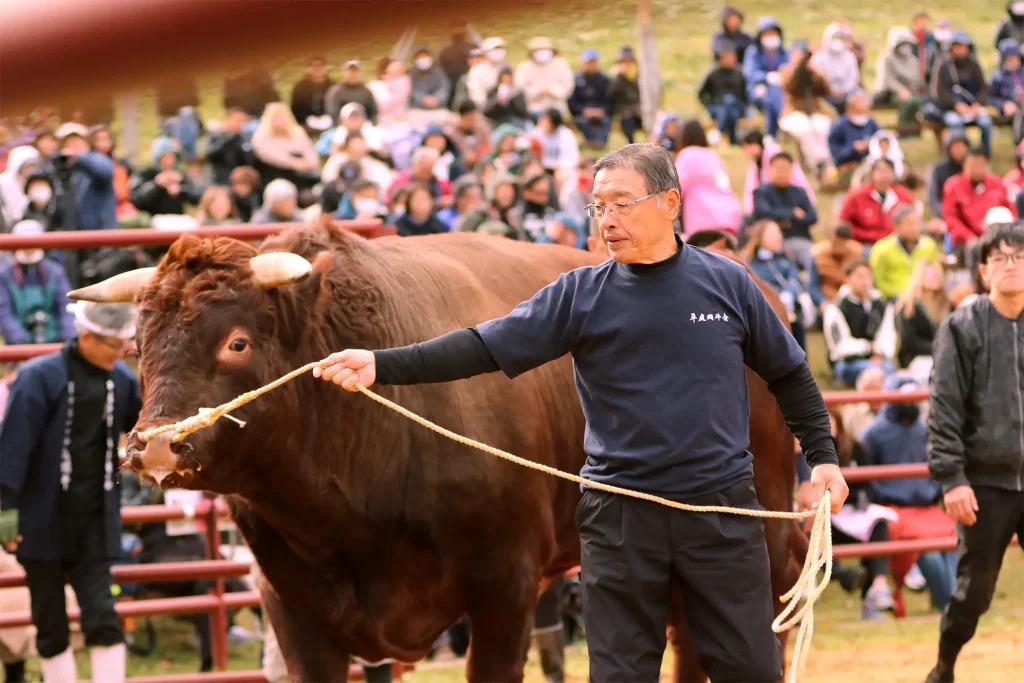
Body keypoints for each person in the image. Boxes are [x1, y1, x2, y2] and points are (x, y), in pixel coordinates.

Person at [313, 143, 848, 683]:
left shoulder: (727, 283)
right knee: (618, 675)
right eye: (598, 206)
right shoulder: (579, 294)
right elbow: (483, 346)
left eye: (621, 203)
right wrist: (380, 364)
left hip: (720, 511)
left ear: (669, 202)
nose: (607, 219)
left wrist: (823, 459)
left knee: (751, 670)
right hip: (619, 516)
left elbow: (791, 374)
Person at [0, 301, 142, 683]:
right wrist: (6, 506)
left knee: (103, 614)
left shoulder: (123, 381)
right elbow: (13, 444)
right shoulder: (38, 377)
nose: (121, 353)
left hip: (94, 518)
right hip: (40, 518)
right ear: (86, 337)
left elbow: (143, 427)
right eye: (113, 345)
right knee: (49, 619)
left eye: (124, 343)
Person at [926, 222, 1024, 683]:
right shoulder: (961, 326)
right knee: (975, 592)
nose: (1011, 265)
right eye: (1000, 258)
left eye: (1019, 255)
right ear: (984, 270)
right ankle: (944, 666)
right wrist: (952, 478)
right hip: (984, 482)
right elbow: (944, 405)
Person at [0, 220, 76, 345]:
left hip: (54, 338)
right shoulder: (5, 275)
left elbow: (65, 306)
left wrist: (67, 339)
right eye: (24, 243)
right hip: (20, 343)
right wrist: (19, 341)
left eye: (33, 242)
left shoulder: (54, 272)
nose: (29, 248)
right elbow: (4, 312)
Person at [823, 260, 897, 384]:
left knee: (888, 368)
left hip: (877, 358)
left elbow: (888, 335)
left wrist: (879, 353)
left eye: (868, 276)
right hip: (847, 361)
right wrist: (867, 347)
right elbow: (839, 346)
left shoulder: (881, 305)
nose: (865, 281)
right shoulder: (836, 308)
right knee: (875, 370)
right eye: (859, 277)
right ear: (847, 279)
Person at [927, 32, 992, 157]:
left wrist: (977, 104)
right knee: (955, 123)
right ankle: (961, 156)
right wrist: (955, 105)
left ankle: (984, 156)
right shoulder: (943, 65)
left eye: (963, 46)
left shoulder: (974, 65)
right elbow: (938, 92)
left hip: (973, 109)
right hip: (950, 109)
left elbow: (983, 88)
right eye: (957, 46)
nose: (961, 49)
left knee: (986, 122)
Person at [942, 148, 1016, 257]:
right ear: (965, 165)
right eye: (972, 165)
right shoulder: (953, 186)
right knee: (976, 249)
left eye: (980, 165)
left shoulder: (997, 184)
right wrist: (969, 237)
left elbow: (1011, 212)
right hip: (967, 241)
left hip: (998, 236)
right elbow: (951, 219)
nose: (976, 169)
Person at [777, 41, 834, 181]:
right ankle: (816, 164)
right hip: (792, 113)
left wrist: (814, 72)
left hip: (814, 112)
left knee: (823, 127)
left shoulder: (814, 72)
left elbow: (826, 91)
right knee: (805, 129)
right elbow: (789, 85)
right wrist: (799, 67)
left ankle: (826, 164)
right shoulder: (786, 70)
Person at [750, 151, 817, 265]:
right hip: (772, 243)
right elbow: (763, 214)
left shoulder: (800, 192)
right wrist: (793, 213)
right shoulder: (761, 192)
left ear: (791, 170)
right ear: (770, 170)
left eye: (785, 169)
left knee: (815, 260)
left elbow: (812, 217)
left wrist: (780, 217)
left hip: (800, 239)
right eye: (778, 168)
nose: (781, 173)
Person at [869, 204, 941, 300]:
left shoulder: (929, 245)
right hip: (892, 298)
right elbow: (878, 281)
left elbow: (935, 273)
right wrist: (900, 294)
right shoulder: (882, 248)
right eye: (909, 223)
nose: (915, 227)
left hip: (922, 297)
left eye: (917, 222)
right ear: (896, 226)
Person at [840, 158, 914, 248]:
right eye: (880, 170)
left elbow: (912, 219)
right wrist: (868, 235)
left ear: (894, 174)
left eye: (888, 170)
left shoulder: (903, 195)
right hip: (866, 244)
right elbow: (844, 224)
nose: (884, 175)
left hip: (899, 243)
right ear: (872, 174)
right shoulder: (857, 195)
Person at [895, 260, 951, 378]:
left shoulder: (948, 305)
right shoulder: (908, 306)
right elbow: (909, 341)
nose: (935, 278)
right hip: (917, 358)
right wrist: (939, 348)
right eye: (931, 275)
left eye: (938, 275)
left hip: (946, 356)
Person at [873, 27, 926, 134]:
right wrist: (901, 90)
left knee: (918, 101)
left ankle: (914, 131)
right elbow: (888, 79)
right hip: (888, 92)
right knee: (909, 102)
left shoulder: (912, 60)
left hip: (909, 92)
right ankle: (902, 131)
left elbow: (916, 79)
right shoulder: (886, 58)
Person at [743, 17, 789, 138]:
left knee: (777, 95)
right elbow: (750, 74)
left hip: (781, 90)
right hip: (759, 89)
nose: (771, 37)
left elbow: (789, 70)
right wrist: (767, 77)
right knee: (769, 96)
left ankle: (781, 128)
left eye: (773, 33)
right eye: (767, 34)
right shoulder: (753, 52)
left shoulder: (784, 53)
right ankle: (772, 132)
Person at [807, 222, 862, 316]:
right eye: (834, 242)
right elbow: (813, 286)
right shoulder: (818, 255)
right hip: (828, 300)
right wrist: (822, 302)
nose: (837, 247)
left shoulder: (857, 253)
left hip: (852, 300)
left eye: (841, 243)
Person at [698, 43, 748, 146]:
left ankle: (719, 132)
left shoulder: (739, 73)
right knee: (726, 106)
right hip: (718, 108)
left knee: (730, 104)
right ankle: (733, 138)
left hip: (736, 108)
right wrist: (709, 107)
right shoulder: (713, 74)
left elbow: (745, 95)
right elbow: (702, 94)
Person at [515, 37, 574, 120]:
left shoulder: (561, 65)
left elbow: (568, 86)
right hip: (534, 108)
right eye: (538, 50)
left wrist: (553, 91)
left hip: (557, 106)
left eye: (544, 49)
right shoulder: (525, 68)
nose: (542, 53)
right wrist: (538, 92)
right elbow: (521, 89)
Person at [568, 49, 613, 149]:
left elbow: (609, 100)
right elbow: (572, 101)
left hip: (600, 113)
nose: (591, 65)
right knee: (582, 122)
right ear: (583, 63)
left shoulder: (604, 79)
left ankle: (597, 143)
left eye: (593, 62)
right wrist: (583, 111)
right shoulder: (576, 79)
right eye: (589, 62)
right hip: (582, 114)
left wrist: (602, 110)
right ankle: (597, 143)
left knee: (606, 121)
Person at [810, 23, 861, 112]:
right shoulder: (819, 57)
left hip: (846, 93)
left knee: (859, 96)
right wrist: (830, 90)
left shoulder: (849, 57)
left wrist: (843, 90)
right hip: (825, 93)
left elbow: (853, 78)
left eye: (840, 39)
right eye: (834, 38)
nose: (837, 42)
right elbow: (817, 78)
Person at [827, 89, 880, 172]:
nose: (862, 116)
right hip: (846, 167)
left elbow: (882, 138)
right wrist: (852, 148)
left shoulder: (871, 123)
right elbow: (834, 153)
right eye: (858, 112)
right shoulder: (839, 126)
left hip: (870, 164)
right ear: (849, 109)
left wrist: (870, 144)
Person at [325, 61, 380, 126]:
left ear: (361, 73)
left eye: (356, 71)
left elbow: (373, 111)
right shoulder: (336, 91)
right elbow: (333, 112)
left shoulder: (366, 91)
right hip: (341, 126)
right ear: (344, 73)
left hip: (364, 127)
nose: (353, 74)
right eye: (350, 71)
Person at [438, 19, 477, 109]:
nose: (458, 30)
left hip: (471, 84)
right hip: (451, 87)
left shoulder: (472, 48)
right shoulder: (444, 51)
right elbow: (440, 71)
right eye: (455, 27)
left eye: (461, 27)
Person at [290, 56, 335, 132]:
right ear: (307, 69)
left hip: (329, 122)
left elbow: (336, 106)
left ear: (326, 68)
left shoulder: (333, 86)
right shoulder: (300, 87)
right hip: (305, 123)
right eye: (313, 66)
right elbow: (295, 109)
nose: (316, 69)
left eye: (320, 66)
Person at [609, 46, 643, 144]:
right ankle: (632, 143)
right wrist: (620, 76)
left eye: (629, 60)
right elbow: (612, 93)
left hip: (639, 110)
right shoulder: (615, 76)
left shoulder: (639, 75)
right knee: (627, 119)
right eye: (624, 61)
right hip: (624, 111)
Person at [989, 39, 1024, 126]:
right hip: (1010, 111)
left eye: (1016, 58)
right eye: (1010, 59)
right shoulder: (998, 76)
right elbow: (991, 97)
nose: (1013, 61)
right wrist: (1004, 105)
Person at [409, 46, 451, 114]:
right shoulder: (411, 74)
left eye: (425, 56)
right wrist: (423, 99)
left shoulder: (438, 71)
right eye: (420, 57)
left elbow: (444, 86)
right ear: (415, 59)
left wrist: (437, 98)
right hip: (418, 109)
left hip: (438, 107)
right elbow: (411, 90)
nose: (423, 59)